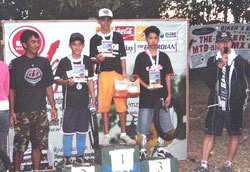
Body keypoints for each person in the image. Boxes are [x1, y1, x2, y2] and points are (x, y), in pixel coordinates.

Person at [192, 31, 250, 172]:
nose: (225, 44)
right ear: (217, 44)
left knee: (234, 134)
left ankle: (228, 163)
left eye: (228, 41)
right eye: (222, 41)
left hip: (234, 104)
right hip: (216, 103)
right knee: (210, 132)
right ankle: (204, 163)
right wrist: (219, 65)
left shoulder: (241, 61)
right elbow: (208, 82)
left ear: (232, 43)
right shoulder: (212, 60)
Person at [9, 30, 58, 171]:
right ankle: (16, 170)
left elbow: (49, 86)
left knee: (38, 145)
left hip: (40, 109)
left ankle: (36, 169)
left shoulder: (44, 62)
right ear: (24, 44)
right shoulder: (16, 64)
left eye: (38, 41)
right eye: (33, 41)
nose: (36, 44)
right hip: (22, 111)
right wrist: (12, 112)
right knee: (20, 146)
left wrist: (53, 107)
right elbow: (12, 89)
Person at [89, 8, 136, 147]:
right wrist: (98, 59)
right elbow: (92, 59)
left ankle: (123, 134)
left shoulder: (117, 36)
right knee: (104, 105)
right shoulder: (94, 39)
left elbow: (122, 56)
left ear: (111, 20)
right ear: (98, 20)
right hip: (103, 74)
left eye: (108, 19)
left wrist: (124, 73)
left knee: (121, 104)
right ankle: (107, 135)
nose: (105, 22)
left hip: (118, 74)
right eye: (103, 19)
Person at [133, 26, 174, 160]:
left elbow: (168, 76)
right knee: (144, 122)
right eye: (150, 38)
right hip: (146, 95)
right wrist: (146, 86)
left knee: (162, 122)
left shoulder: (164, 57)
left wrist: (169, 94)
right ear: (146, 39)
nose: (153, 41)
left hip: (161, 95)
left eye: (155, 38)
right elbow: (137, 77)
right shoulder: (141, 57)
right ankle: (143, 150)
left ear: (158, 39)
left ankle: (161, 148)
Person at [54, 32, 95, 166]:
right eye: (74, 45)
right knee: (68, 131)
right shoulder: (64, 61)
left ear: (83, 46)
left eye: (80, 45)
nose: (77, 47)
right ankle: (66, 157)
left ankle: (80, 156)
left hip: (83, 103)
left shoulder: (87, 60)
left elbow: (90, 81)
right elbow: (57, 80)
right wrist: (66, 82)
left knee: (82, 130)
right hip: (69, 103)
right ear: (70, 46)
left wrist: (93, 99)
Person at [0, 61, 10, 153]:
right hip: (3, 105)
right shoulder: (3, 65)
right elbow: (7, 89)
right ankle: (2, 166)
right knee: (2, 145)